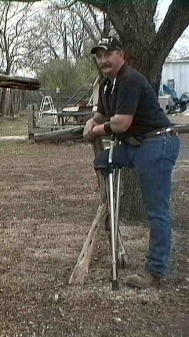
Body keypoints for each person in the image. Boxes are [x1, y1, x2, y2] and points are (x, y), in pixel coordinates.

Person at [83, 37, 180, 289]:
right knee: (102, 160)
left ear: (121, 55)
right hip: (134, 146)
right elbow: (100, 114)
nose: (103, 60)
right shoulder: (107, 85)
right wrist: (90, 123)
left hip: (156, 144)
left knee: (156, 210)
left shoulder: (129, 80)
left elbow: (120, 123)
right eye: (99, 56)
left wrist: (97, 130)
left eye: (108, 54)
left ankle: (155, 271)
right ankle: (109, 214)